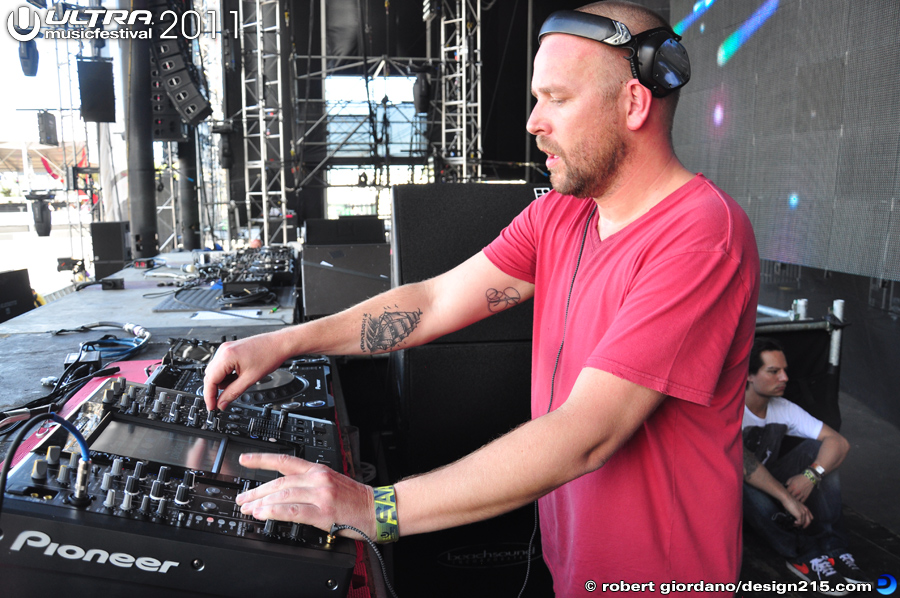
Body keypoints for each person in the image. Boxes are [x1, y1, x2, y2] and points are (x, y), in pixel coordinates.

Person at [203, 3, 760, 595]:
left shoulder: (701, 236)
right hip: (575, 567)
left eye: (556, 99)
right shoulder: (560, 214)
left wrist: (375, 509)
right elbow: (435, 301)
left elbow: (589, 431)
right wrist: (286, 341)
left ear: (633, 103)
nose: (532, 122)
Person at [742, 337, 869, 592]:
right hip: (735, 496)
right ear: (748, 376)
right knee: (738, 480)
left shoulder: (783, 408)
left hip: (771, 485)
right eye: (773, 371)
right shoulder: (730, 411)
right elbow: (742, 463)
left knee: (820, 451)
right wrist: (788, 499)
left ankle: (833, 548)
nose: (785, 378)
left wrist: (812, 475)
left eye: (784, 370)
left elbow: (839, 443)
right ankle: (803, 556)